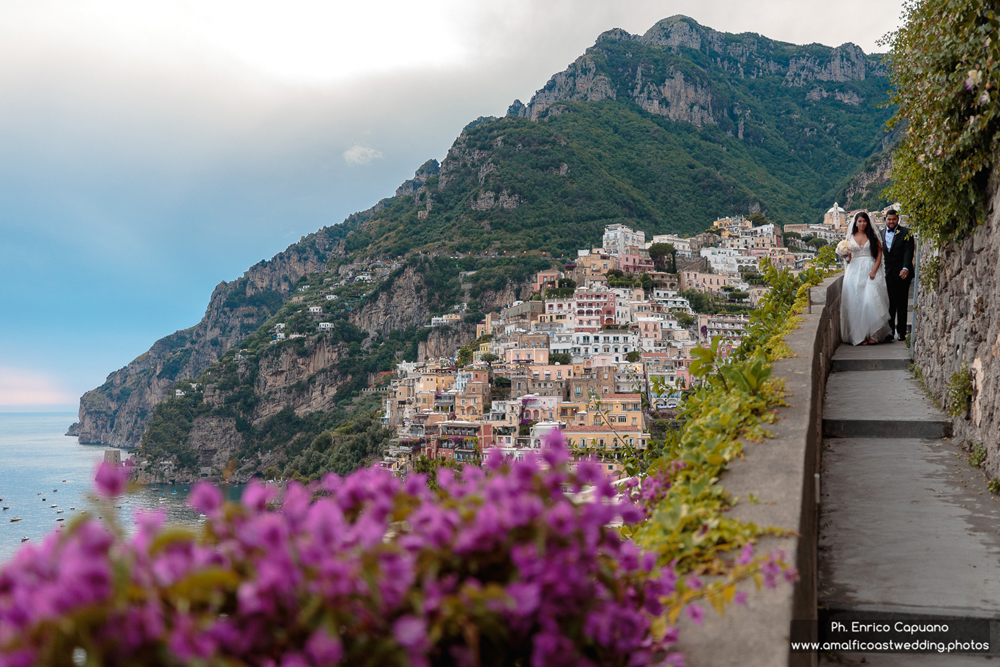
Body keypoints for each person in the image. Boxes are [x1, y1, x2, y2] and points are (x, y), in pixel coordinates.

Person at [840, 212, 891, 345]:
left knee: (871, 301)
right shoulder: (850, 237)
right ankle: (860, 335)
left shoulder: (873, 236)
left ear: (868, 222)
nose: (862, 224)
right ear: (855, 223)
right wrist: (844, 255)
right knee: (856, 303)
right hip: (854, 272)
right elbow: (848, 258)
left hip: (869, 269)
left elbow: (879, 254)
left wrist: (874, 270)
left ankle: (873, 333)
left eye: (864, 221)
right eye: (859, 221)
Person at [879, 209, 915, 342]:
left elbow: (908, 251)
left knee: (902, 303)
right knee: (890, 303)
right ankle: (890, 332)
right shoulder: (880, 234)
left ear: (898, 219)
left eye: (894, 219)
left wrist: (905, 267)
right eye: (889, 219)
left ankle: (901, 332)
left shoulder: (906, 232)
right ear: (885, 220)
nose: (891, 221)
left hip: (902, 273)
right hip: (887, 274)